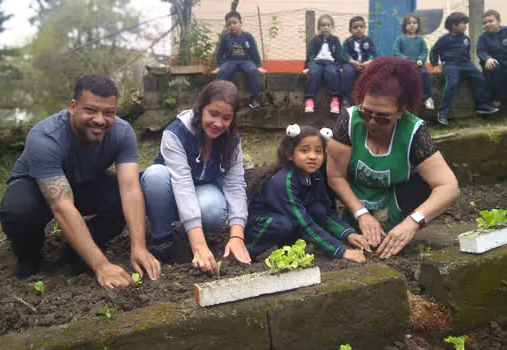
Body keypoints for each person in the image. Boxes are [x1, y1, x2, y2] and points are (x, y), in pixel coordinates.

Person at [0, 74, 161, 288]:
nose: (100, 120)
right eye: (91, 110)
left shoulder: (122, 133)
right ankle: (29, 254)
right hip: (36, 187)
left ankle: (79, 250)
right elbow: (61, 206)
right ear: (73, 107)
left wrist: (139, 246)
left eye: (109, 113)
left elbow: (130, 189)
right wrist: (101, 265)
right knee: (17, 211)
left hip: (84, 182)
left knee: (124, 194)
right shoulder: (46, 137)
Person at [326, 57, 460, 259]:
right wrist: (361, 214)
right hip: (355, 202)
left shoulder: (414, 132)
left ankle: (394, 230)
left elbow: (449, 186)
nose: (371, 121)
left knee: (425, 183)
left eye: (381, 116)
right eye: (366, 112)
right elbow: (335, 176)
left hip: (394, 203)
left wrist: (412, 222)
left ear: (401, 110)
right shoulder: (349, 120)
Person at [141, 81, 251, 276]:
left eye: (226, 118)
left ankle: (191, 235)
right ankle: (163, 239)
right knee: (154, 176)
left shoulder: (232, 141)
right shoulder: (176, 133)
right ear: (201, 109)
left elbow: (235, 185)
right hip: (169, 193)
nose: (218, 123)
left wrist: (237, 236)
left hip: (200, 192)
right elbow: (182, 185)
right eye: (213, 114)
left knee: (213, 207)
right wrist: (198, 246)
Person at [244, 125, 369, 263]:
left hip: (289, 218)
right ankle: (247, 251)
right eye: (304, 150)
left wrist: (348, 234)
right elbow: (303, 223)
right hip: (262, 225)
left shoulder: (315, 177)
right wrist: (340, 250)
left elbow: (327, 212)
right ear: (290, 154)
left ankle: (289, 249)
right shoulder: (286, 181)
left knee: (318, 210)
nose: (312, 156)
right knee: (284, 225)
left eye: (318, 151)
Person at [430, 12, 499, 125]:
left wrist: (468, 66)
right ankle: (443, 112)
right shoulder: (444, 39)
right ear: (454, 25)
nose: (465, 26)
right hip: (450, 64)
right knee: (452, 82)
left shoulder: (465, 38)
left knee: (479, 77)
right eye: (463, 23)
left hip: (466, 64)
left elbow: (466, 53)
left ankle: (481, 105)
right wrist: (435, 64)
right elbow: (434, 51)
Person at [212, 11, 267, 109]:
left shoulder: (248, 37)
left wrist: (258, 65)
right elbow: (220, 53)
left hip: (246, 61)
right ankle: (217, 99)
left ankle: (255, 99)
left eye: (235, 23)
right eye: (229, 24)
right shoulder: (225, 38)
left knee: (252, 71)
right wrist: (219, 66)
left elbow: (254, 51)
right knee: (223, 72)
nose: (232, 26)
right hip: (230, 61)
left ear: (241, 23)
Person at [393, 13, 435, 110]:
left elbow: (424, 51)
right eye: (409, 23)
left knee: (424, 73)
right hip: (404, 65)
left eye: (414, 23)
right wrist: (405, 59)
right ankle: (401, 98)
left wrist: (421, 59)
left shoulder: (420, 40)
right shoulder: (400, 39)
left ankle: (428, 97)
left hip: (418, 64)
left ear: (418, 25)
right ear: (404, 26)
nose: (412, 25)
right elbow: (396, 51)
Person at [303, 14, 343, 114]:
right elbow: (310, 54)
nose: (325, 27)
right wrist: (309, 66)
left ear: (332, 27)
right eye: (323, 25)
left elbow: (338, 55)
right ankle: (309, 99)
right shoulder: (315, 40)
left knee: (332, 73)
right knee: (314, 73)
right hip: (316, 62)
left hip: (331, 63)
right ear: (319, 27)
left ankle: (334, 99)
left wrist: (339, 66)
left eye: (328, 25)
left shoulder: (335, 40)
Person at [341, 16, 377, 108]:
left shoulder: (368, 40)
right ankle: (346, 98)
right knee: (347, 72)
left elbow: (373, 53)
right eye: (355, 27)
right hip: (351, 64)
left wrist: (368, 61)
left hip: (365, 64)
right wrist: (352, 62)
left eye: (361, 27)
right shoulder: (348, 41)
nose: (358, 29)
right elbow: (344, 54)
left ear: (365, 28)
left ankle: (366, 98)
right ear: (350, 29)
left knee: (370, 72)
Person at [477, 9, 507, 108]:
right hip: (494, 63)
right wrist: (487, 58)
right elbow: (480, 51)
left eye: (490, 21)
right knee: (494, 66)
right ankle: (496, 98)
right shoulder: (483, 37)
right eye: (484, 23)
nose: (487, 24)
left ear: (499, 21)